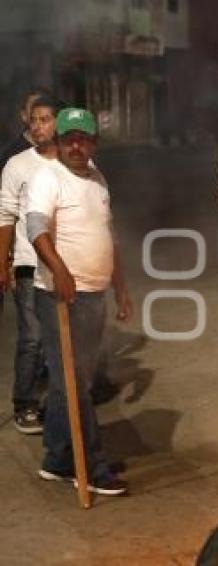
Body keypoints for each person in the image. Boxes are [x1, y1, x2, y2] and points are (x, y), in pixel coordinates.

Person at [26, 108, 132, 495]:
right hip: (59, 296)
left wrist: (120, 287)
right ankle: (92, 464)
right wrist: (60, 270)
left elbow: (110, 235)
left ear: (92, 142)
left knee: (73, 381)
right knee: (74, 384)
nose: (74, 145)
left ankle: (56, 458)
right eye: (67, 138)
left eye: (81, 138)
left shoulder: (98, 178)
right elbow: (36, 229)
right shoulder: (47, 178)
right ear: (58, 142)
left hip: (94, 293)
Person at [0, 94, 64, 434]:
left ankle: (60, 399)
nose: (36, 126)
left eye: (44, 120)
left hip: (67, 265)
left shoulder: (73, 160)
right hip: (28, 263)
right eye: (33, 120)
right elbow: (5, 216)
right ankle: (24, 402)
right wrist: (3, 262)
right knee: (32, 338)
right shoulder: (17, 163)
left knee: (62, 338)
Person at [0, 89, 50, 171]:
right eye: (34, 107)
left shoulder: (62, 150)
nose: (40, 112)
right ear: (24, 116)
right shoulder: (10, 157)